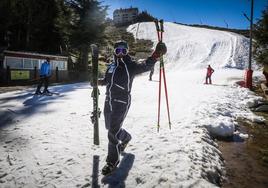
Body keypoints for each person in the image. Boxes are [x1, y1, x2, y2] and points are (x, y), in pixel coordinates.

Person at [99, 40, 167, 175]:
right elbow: (107, 80)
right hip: (108, 101)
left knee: (112, 131)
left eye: (123, 51)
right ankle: (126, 137)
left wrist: (156, 55)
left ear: (127, 51)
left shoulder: (131, 66)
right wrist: (98, 82)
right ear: (114, 52)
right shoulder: (111, 66)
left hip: (122, 101)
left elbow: (146, 65)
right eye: (118, 51)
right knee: (110, 127)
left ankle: (112, 161)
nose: (120, 54)